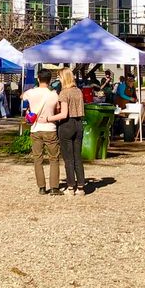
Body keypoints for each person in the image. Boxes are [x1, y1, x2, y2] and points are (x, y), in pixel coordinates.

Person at [22, 70, 61, 195]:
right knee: (54, 158)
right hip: (50, 128)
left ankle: (42, 187)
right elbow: (58, 109)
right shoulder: (54, 94)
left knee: (37, 158)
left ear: (38, 78)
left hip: (36, 128)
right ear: (50, 80)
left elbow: (22, 96)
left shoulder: (31, 92)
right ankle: (54, 187)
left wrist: (29, 109)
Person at [49, 68, 85, 196]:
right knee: (77, 157)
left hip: (66, 125)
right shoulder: (78, 91)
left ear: (64, 78)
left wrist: (48, 118)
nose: (58, 79)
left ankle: (71, 186)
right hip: (79, 124)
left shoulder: (64, 93)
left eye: (59, 77)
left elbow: (63, 114)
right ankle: (81, 186)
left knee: (68, 158)